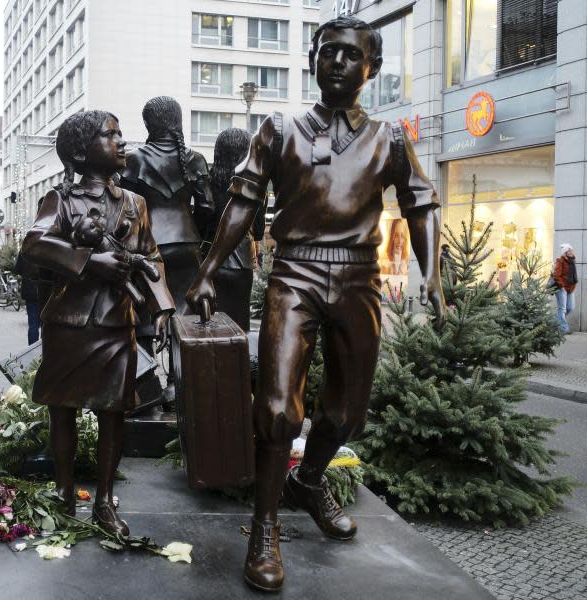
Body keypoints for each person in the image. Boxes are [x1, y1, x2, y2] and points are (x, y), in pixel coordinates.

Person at [187, 15, 445, 592]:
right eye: (328, 52)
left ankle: (309, 482)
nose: (337, 62)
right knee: (279, 408)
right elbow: (242, 203)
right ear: (312, 60)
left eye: (351, 55)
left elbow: (422, 204)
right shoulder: (280, 130)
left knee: (347, 413)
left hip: (359, 279)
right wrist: (207, 271)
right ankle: (265, 527)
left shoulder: (391, 139)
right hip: (295, 274)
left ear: (371, 68)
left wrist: (432, 275)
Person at [21, 110, 174, 535]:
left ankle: (104, 501)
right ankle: (65, 491)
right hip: (69, 322)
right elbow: (33, 246)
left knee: (114, 412)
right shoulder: (61, 200)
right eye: (111, 135)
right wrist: (90, 261)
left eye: (121, 134)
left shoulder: (134, 204)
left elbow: (153, 257)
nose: (122, 142)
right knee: (63, 410)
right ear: (79, 151)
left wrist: (162, 307)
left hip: (115, 324)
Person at [120, 96, 213, 316]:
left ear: (148, 124)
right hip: (187, 243)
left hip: (148, 246)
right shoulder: (195, 159)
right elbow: (207, 207)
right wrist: (192, 228)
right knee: (188, 315)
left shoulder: (134, 160)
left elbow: (125, 208)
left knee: (146, 314)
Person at [204, 127, 263, 332]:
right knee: (239, 324)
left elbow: (203, 218)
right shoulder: (252, 184)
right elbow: (259, 227)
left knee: (209, 322)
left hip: (209, 259)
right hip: (241, 261)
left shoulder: (208, 182)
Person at [14, 242, 43, 344]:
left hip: (30, 290)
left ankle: (33, 352)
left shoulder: (25, 250)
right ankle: (45, 349)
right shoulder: (48, 248)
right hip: (46, 291)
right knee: (46, 324)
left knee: (33, 324)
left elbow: (18, 269)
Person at [553, 243, 578, 334]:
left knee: (570, 307)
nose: (572, 252)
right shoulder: (560, 261)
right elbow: (556, 275)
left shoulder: (572, 261)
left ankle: (554, 322)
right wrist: (562, 286)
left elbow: (573, 276)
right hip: (561, 288)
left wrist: (573, 286)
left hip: (570, 288)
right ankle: (564, 329)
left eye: (572, 250)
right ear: (566, 252)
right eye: (570, 250)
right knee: (562, 309)